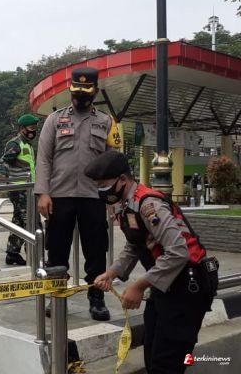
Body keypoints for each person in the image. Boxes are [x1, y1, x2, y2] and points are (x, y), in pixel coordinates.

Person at [87, 150, 218, 373]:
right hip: (166, 286)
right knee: (152, 351)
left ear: (122, 180)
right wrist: (112, 272)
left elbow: (178, 252)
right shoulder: (127, 204)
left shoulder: (149, 205)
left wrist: (139, 286)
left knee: (166, 362)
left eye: (103, 185)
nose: (101, 191)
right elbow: (135, 245)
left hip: (187, 286)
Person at [35, 67, 121, 321]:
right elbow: (44, 159)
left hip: (94, 196)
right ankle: (56, 296)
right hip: (59, 196)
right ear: (70, 90)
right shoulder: (54, 120)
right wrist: (43, 193)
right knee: (56, 250)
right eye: (76, 91)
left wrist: (114, 199)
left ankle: (97, 298)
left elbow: (115, 162)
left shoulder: (106, 122)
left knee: (96, 251)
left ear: (95, 92)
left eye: (85, 92)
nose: (80, 96)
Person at [0, 113, 40, 266]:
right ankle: (35, 257)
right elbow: (4, 160)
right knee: (31, 221)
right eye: (31, 128)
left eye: (35, 128)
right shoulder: (15, 144)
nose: (33, 131)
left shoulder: (28, 145)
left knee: (19, 222)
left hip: (27, 189)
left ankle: (12, 254)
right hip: (20, 190)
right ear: (22, 128)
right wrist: (2, 173)